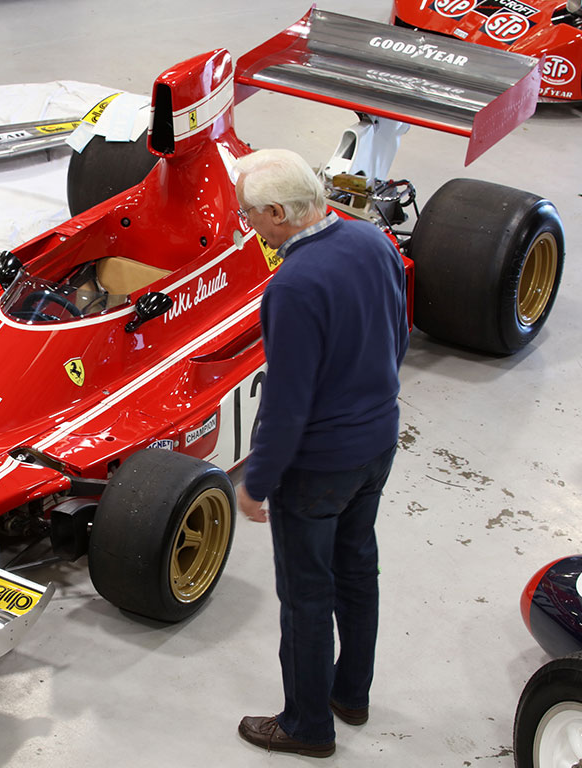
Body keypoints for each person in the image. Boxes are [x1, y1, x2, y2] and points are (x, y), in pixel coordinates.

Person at [233, 149, 408, 757]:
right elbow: (398, 335)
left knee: (306, 597)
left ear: (278, 213)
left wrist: (257, 481)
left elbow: (287, 403)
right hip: (377, 444)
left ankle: (306, 726)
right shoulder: (373, 241)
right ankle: (350, 694)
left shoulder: (294, 284)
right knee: (357, 572)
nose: (248, 225)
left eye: (250, 215)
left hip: (319, 469)